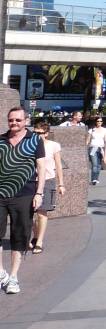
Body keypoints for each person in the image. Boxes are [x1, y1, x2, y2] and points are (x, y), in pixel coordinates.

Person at [0, 108, 46, 295]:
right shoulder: (1, 140)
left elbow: (41, 168)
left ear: (26, 120)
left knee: (19, 235)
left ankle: (13, 277)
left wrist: (39, 193)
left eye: (18, 120)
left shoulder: (35, 140)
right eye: (11, 120)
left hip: (24, 193)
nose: (14, 123)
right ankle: (1, 272)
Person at [29, 121, 64, 254]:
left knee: (42, 213)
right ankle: (36, 234)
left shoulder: (54, 146)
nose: (37, 136)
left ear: (47, 133)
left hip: (48, 180)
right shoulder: (30, 145)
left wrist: (61, 184)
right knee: (27, 214)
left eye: (40, 133)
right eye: (35, 133)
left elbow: (58, 166)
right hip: (31, 181)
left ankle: (39, 241)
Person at [86, 116, 106, 185]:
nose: (99, 122)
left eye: (101, 121)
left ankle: (96, 178)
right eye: (98, 121)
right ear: (95, 122)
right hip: (93, 148)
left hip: (101, 148)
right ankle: (94, 179)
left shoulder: (104, 130)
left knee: (99, 165)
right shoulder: (91, 130)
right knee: (94, 164)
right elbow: (88, 140)